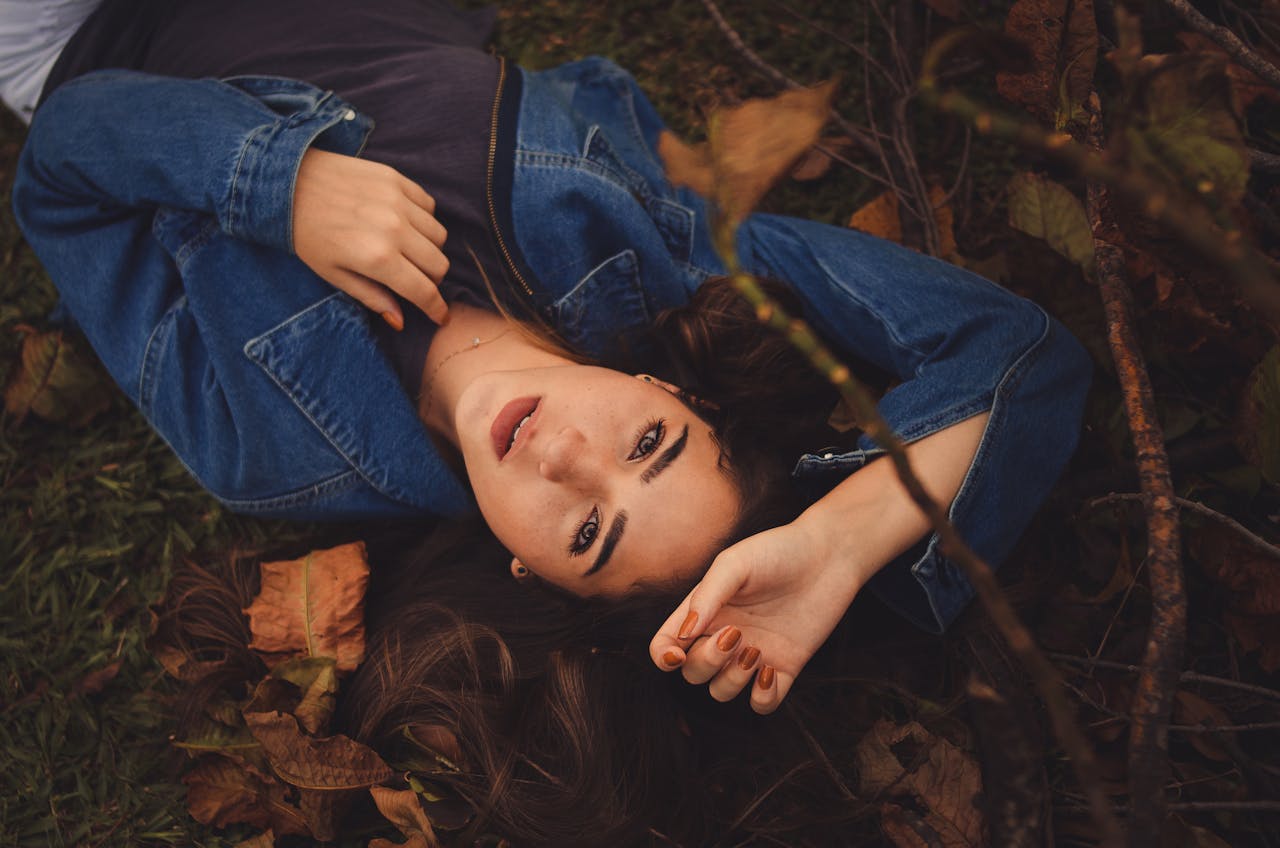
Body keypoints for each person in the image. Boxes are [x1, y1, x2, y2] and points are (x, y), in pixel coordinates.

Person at [12, 0, 1091, 841]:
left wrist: (272, 180)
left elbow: (64, 157)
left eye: (586, 531)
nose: (567, 455)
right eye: (646, 446)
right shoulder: (654, 252)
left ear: (526, 571)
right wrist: (829, 546)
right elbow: (1020, 355)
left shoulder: (263, 444)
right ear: (674, 394)